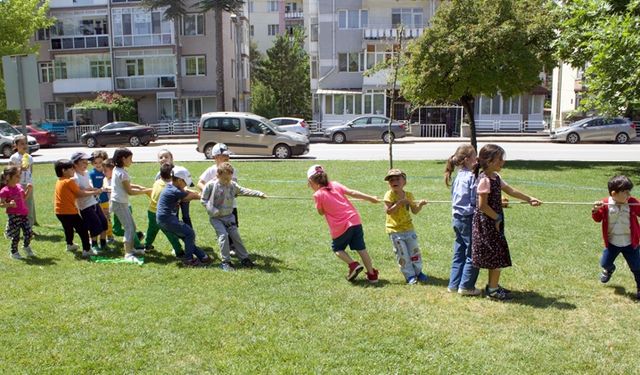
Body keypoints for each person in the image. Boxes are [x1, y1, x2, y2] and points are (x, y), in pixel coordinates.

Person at [471, 144, 541, 300]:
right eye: (500, 159)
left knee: (498, 255)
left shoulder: (496, 177)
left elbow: (510, 191)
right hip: (488, 223)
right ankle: (493, 291)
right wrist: (496, 217)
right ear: (489, 161)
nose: (503, 162)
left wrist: (529, 199)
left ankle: (492, 286)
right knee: (496, 255)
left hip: (494, 221)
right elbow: (482, 206)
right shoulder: (484, 180)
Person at [307, 164, 380, 283]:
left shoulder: (317, 195)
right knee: (361, 249)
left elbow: (320, 212)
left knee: (337, 248)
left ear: (311, 181)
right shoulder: (335, 184)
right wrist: (370, 198)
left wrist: (319, 202)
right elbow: (352, 192)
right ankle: (372, 275)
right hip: (355, 220)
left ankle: (353, 265)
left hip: (340, 227)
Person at [200, 162, 265, 271]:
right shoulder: (211, 185)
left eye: (229, 179)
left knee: (236, 237)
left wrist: (259, 194)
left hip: (229, 217)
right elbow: (203, 200)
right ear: (218, 175)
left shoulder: (232, 185)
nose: (227, 181)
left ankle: (244, 258)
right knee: (223, 236)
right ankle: (225, 262)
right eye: (224, 179)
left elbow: (244, 190)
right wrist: (212, 210)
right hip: (216, 218)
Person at [592, 175, 640, 300]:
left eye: (629, 192)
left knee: (637, 267)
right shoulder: (605, 203)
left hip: (630, 243)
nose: (629, 195)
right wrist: (595, 210)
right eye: (625, 192)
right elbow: (597, 219)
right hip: (613, 243)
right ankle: (609, 269)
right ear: (614, 193)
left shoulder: (632, 202)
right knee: (605, 263)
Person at [444, 144, 482, 296]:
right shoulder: (472, 177)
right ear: (467, 160)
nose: (477, 158)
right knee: (473, 252)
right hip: (468, 218)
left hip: (457, 219)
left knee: (459, 252)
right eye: (474, 156)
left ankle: (453, 285)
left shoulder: (459, 175)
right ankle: (466, 286)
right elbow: (474, 201)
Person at [157, 166, 212, 267]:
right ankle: (189, 260)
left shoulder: (172, 187)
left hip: (163, 220)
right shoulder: (174, 191)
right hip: (167, 220)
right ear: (178, 180)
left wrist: (197, 193)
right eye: (185, 182)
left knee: (186, 236)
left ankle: (203, 256)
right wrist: (206, 196)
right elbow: (190, 196)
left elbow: (188, 192)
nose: (186, 185)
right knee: (190, 234)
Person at [383, 168, 428, 284]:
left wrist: (420, 205)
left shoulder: (409, 195)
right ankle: (409, 275)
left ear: (404, 182)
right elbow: (388, 211)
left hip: (409, 229)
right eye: (391, 180)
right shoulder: (389, 195)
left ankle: (418, 272)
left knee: (414, 252)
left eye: (397, 179)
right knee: (402, 254)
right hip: (395, 231)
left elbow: (415, 211)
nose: (394, 181)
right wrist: (399, 203)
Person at [54, 159, 102, 258]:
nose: (73, 171)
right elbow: (80, 193)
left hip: (59, 211)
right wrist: (95, 192)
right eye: (71, 169)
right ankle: (87, 250)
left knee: (68, 228)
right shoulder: (69, 181)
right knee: (83, 230)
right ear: (64, 170)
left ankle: (70, 244)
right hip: (69, 212)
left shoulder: (60, 181)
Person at [110, 148, 151, 262]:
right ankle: (128, 254)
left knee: (132, 227)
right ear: (123, 159)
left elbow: (127, 185)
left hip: (118, 202)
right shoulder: (122, 173)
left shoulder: (117, 169)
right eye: (130, 159)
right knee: (129, 228)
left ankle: (131, 249)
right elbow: (130, 191)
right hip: (119, 203)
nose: (131, 161)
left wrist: (140, 187)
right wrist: (146, 191)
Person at [72, 152, 108, 253]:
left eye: (86, 162)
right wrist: (94, 192)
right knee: (94, 225)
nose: (86, 164)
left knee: (104, 222)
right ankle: (94, 245)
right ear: (75, 164)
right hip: (85, 206)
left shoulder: (86, 173)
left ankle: (103, 243)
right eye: (83, 162)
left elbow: (88, 187)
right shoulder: (75, 177)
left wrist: (94, 189)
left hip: (93, 202)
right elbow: (78, 193)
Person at [146, 163, 185, 257]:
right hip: (162, 215)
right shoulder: (168, 187)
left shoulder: (157, 182)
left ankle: (147, 246)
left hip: (151, 211)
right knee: (171, 233)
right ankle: (179, 252)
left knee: (152, 230)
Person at [0, 166, 33, 259]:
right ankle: (14, 252)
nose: (19, 178)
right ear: (8, 177)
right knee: (16, 236)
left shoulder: (19, 187)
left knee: (29, 233)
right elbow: (1, 204)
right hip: (14, 216)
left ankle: (26, 246)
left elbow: (24, 198)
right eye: (17, 176)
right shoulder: (4, 190)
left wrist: (28, 190)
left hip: (23, 214)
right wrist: (9, 204)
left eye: (19, 175)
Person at [156, 149, 192, 228]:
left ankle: (190, 232)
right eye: (161, 157)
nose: (163, 159)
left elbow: (187, 183)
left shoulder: (179, 170)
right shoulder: (159, 174)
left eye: (166, 157)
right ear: (158, 160)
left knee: (186, 216)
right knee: (174, 216)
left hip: (182, 195)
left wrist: (184, 192)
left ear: (171, 158)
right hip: (172, 199)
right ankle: (178, 233)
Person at [8, 135, 36, 226]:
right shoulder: (14, 157)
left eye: (25, 143)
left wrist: (29, 182)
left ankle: (29, 228)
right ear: (15, 146)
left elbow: (30, 171)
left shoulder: (29, 157)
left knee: (29, 205)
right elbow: (10, 172)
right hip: (17, 185)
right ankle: (15, 226)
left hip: (28, 184)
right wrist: (20, 168)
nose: (24, 145)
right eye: (21, 144)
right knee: (18, 206)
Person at [89, 150, 114, 245]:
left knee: (107, 218)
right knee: (95, 220)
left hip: (105, 200)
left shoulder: (107, 172)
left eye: (100, 162)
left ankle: (109, 235)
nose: (98, 164)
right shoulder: (91, 174)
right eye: (95, 162)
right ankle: (94, 237)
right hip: (94, 202)